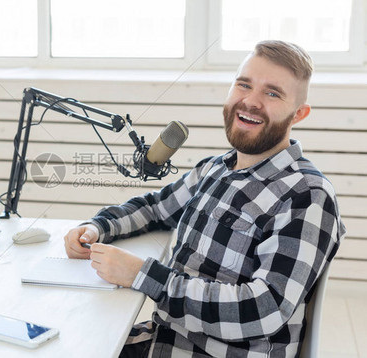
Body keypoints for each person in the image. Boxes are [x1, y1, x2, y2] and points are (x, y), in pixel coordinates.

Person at [64, 40, 346, 357]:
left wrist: (143, 275)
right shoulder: (216, 169)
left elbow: (264, 308)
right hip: (164, 339)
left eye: (272, 93)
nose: (250, 101)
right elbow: (157, 208)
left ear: (299, 113)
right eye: (244, 85)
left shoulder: (307, 194)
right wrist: (98, 227)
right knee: (63, 336)